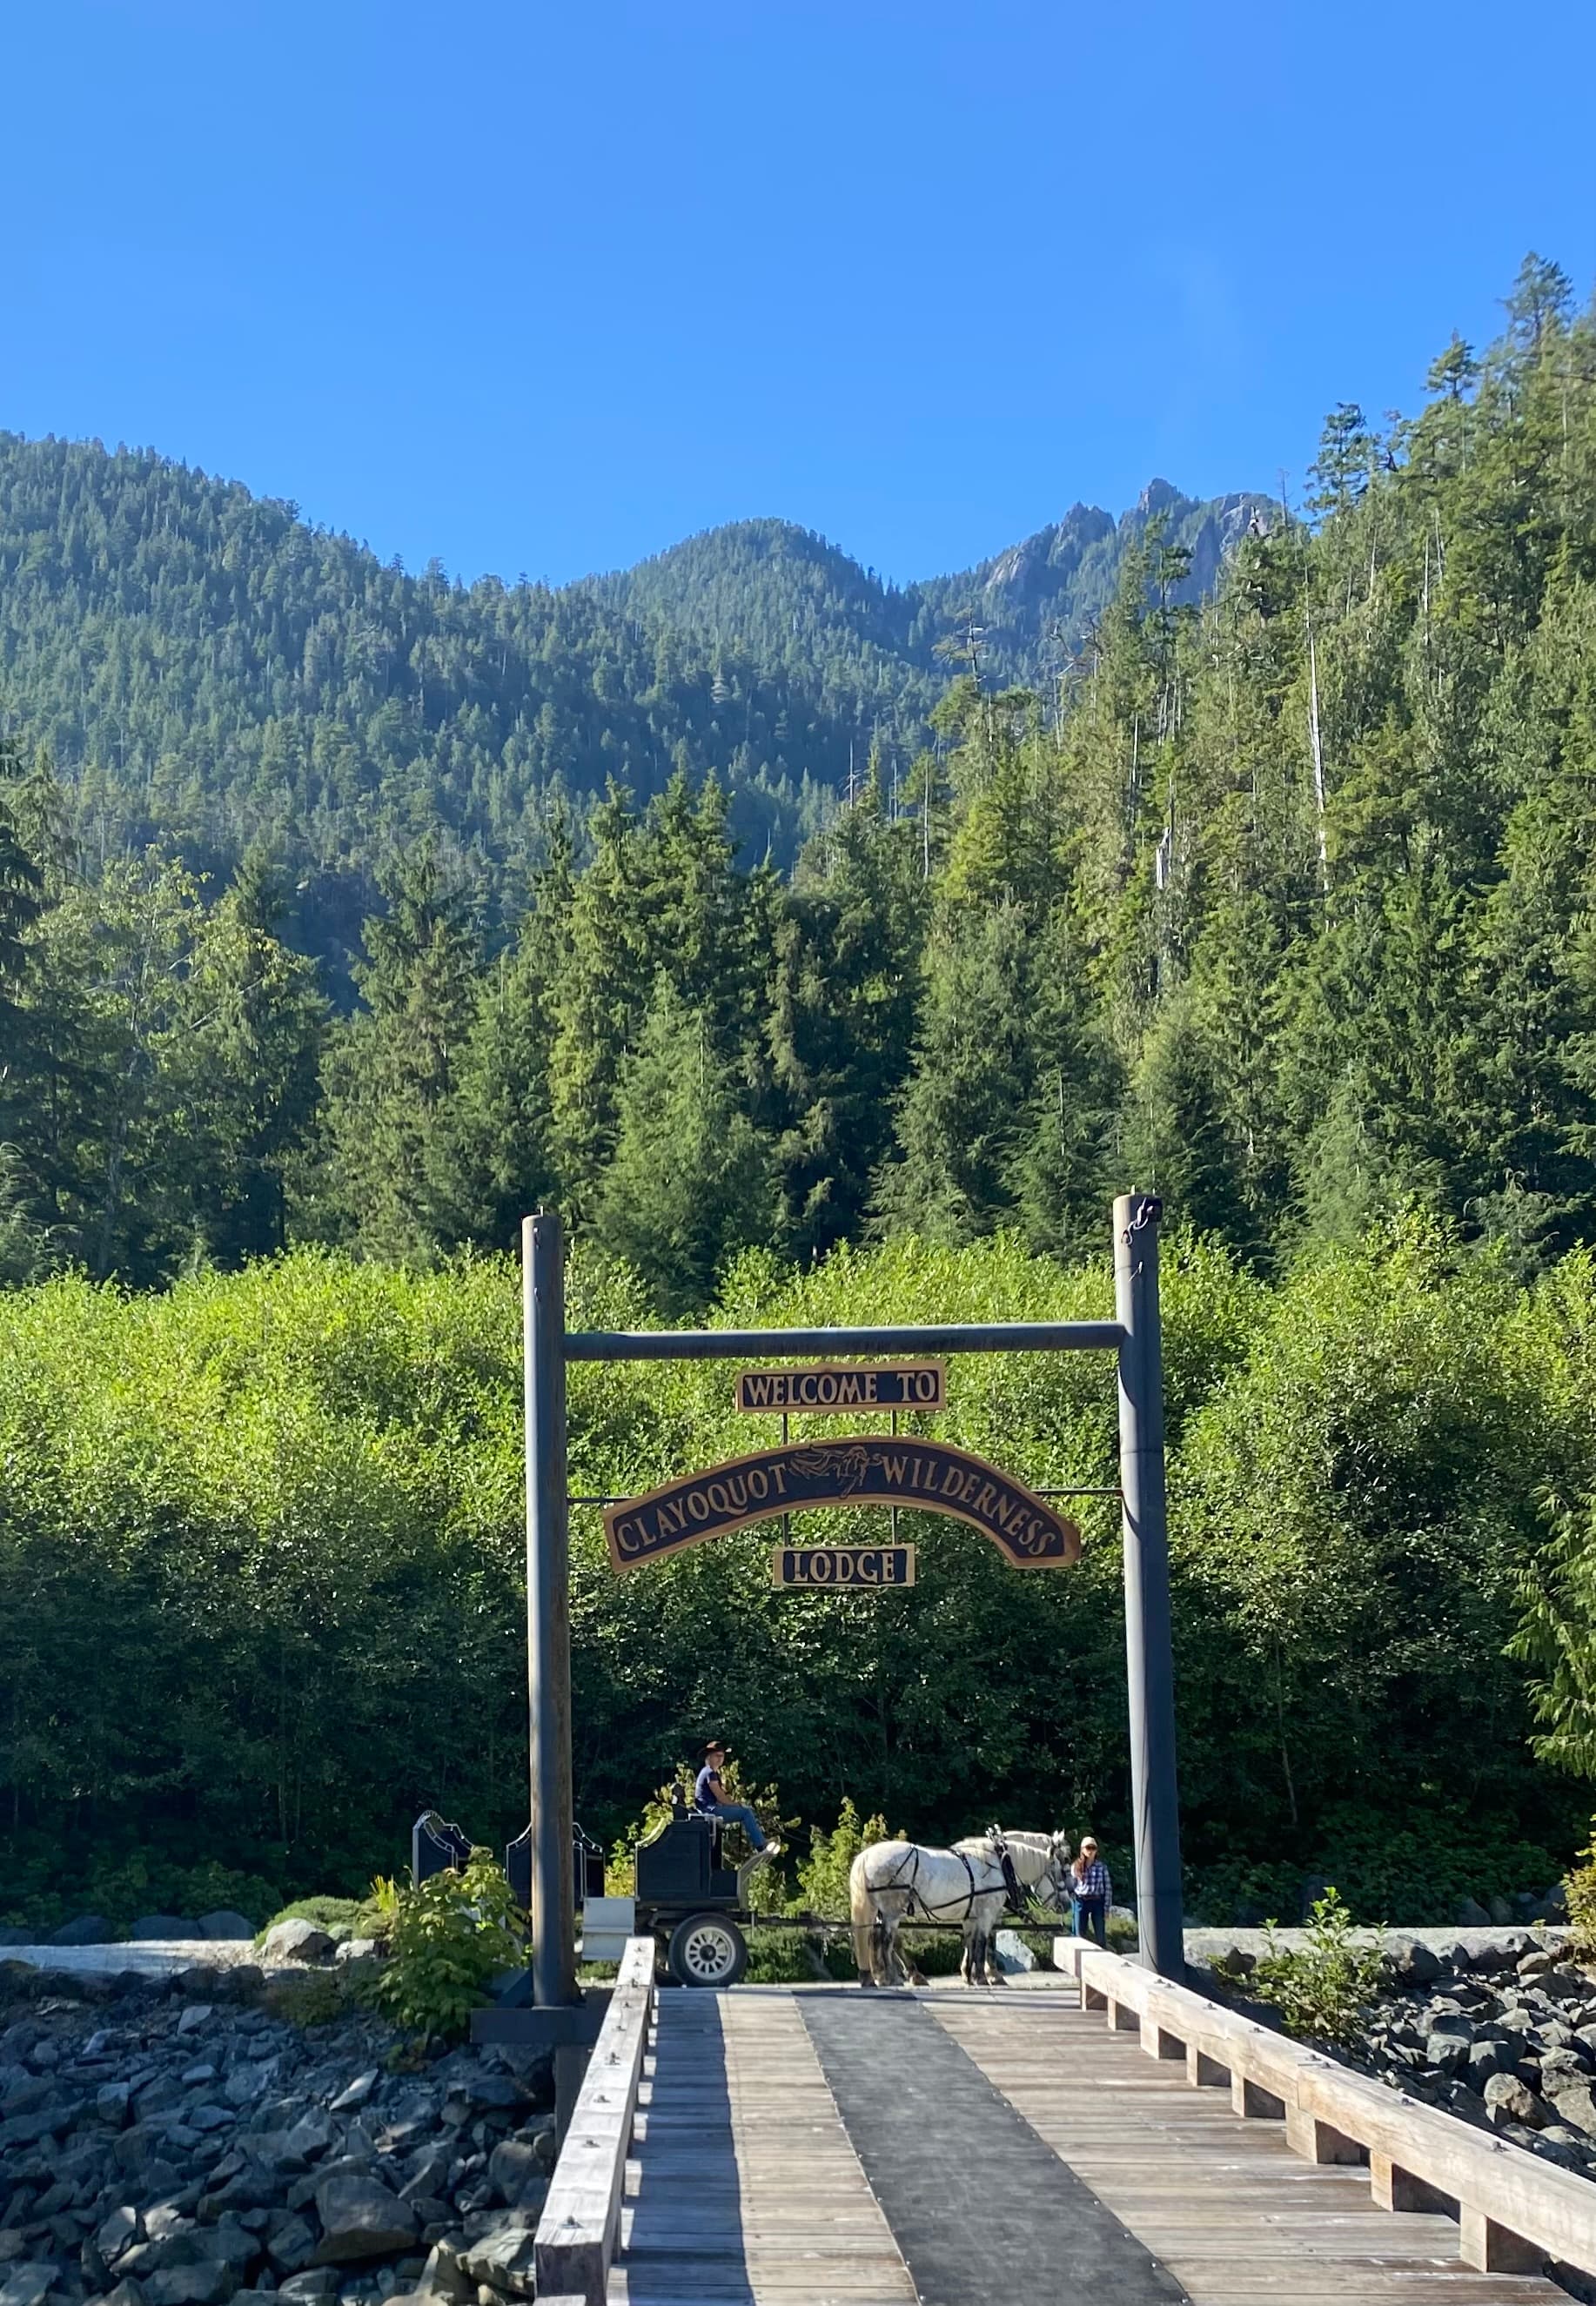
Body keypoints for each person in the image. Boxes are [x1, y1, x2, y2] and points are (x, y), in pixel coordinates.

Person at [693, 1740, 781, 1861]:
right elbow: (720, 1796)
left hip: (710, 1809)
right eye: (717, 1756)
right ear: (709, 1757)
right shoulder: (709, 1773)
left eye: (722, 1756)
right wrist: (735, 1805)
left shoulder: (708, 1772)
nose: (720, 1759)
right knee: (746, 1812)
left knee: (747, 1811)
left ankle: (759, 1841)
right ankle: (761, 1845)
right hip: (710, 1811)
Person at [1069, 1836, 1111, 1947]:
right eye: (1088, 1848)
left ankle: (1103, 1958)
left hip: (1097, 1902)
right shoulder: (1075, 1866)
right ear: (1082, 1849)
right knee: (1079, 1935)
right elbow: (1071, 1886)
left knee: (1100, 1937)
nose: (1091, 1851)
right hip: (1081, 1901)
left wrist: (1106, 1908)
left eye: (1093, 1848)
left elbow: (1108, 1888)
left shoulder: (1102, 1867)